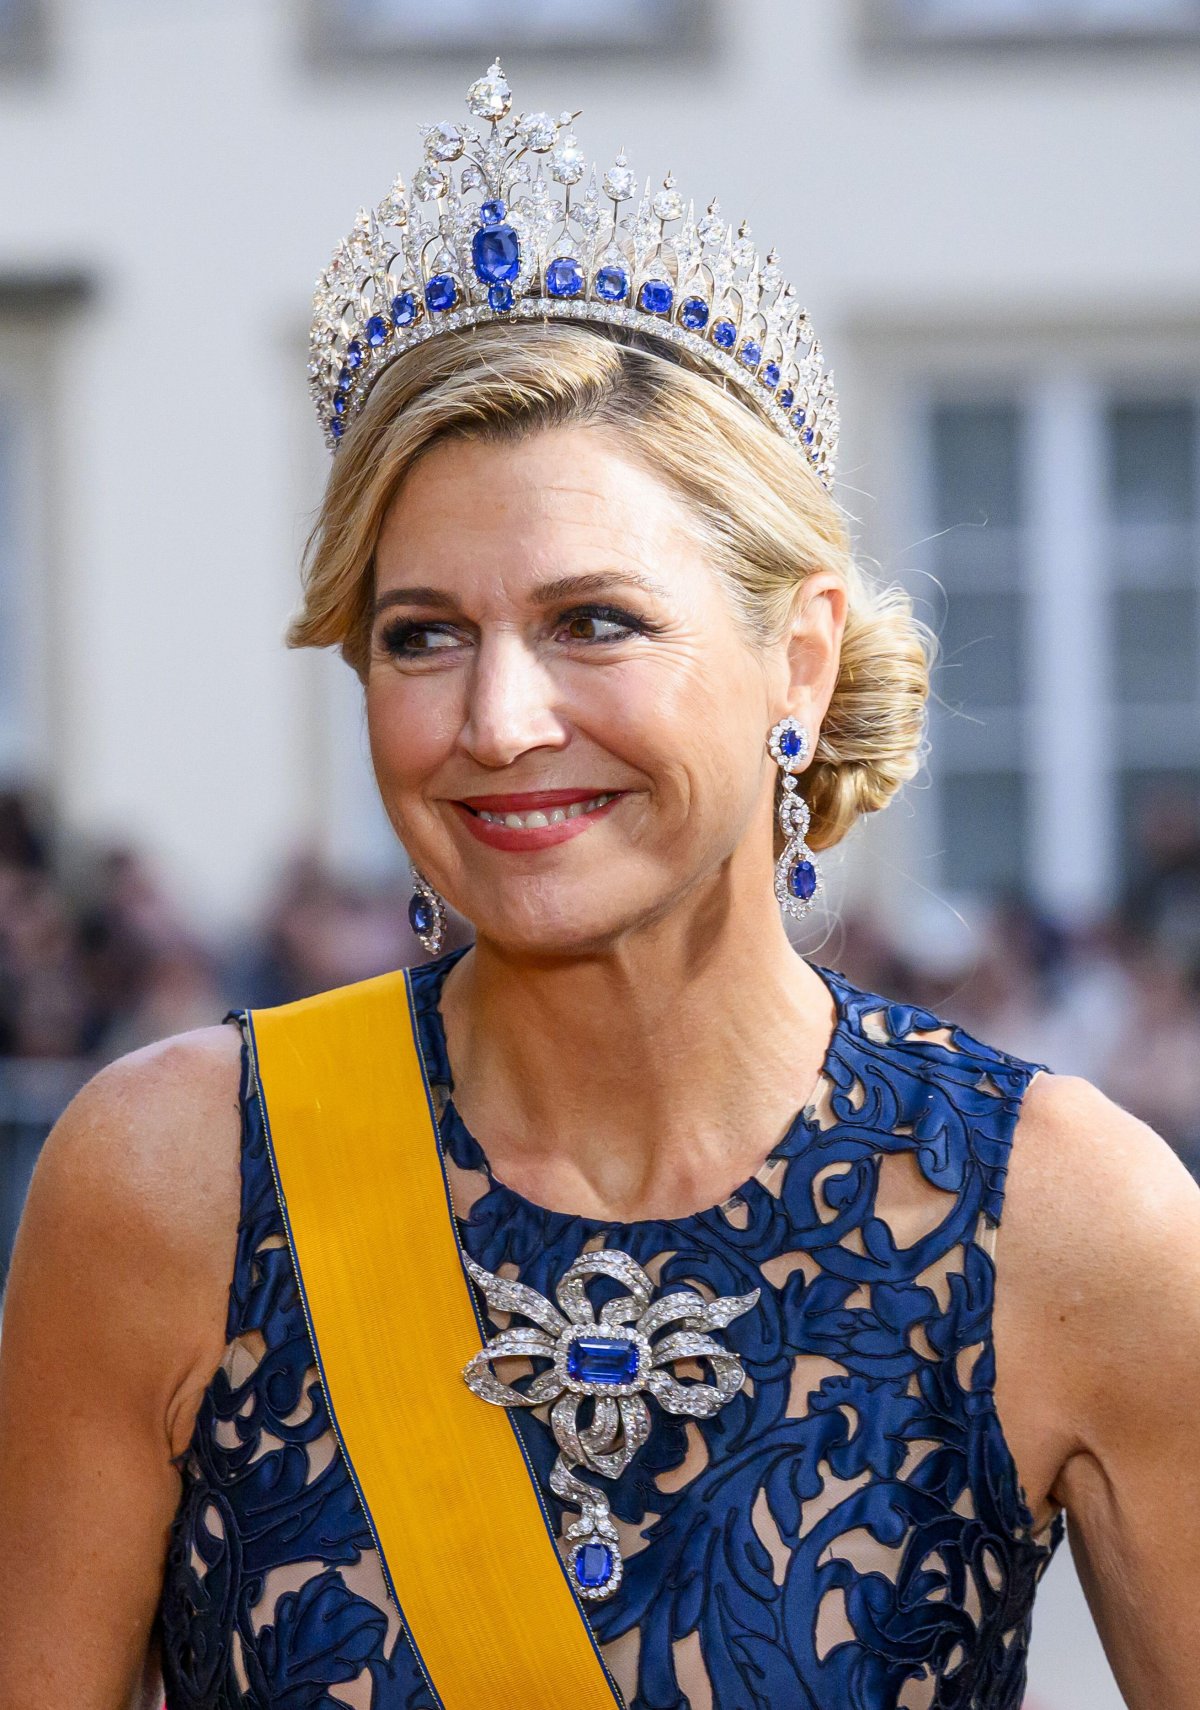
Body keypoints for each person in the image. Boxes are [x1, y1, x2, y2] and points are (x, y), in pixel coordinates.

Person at [2, 63, 1198, 1710]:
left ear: (799, 655)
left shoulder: (1069, 1220)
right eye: (422, 636)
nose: (497, 722)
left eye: (596, 621)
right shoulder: (165, 1184)